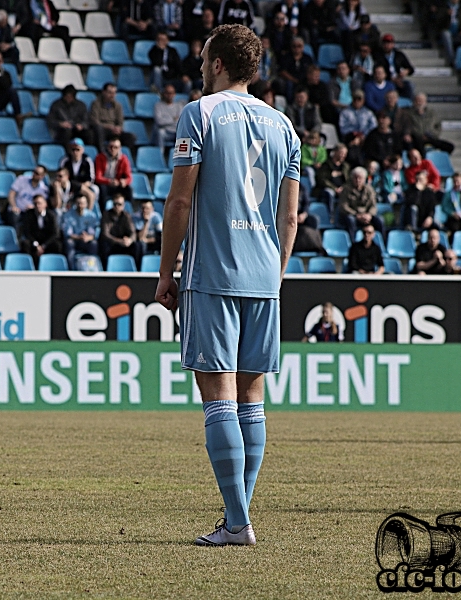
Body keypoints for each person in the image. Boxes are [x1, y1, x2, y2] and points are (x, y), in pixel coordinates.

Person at [155, 24, 299, 547]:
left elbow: (179, 202)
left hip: (213, 272)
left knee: (217, 395)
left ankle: (237, 523)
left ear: (217, 63)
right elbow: (290, 220)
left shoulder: (200, 112)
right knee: (251, 396)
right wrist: (273, 275)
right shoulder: (284, 125)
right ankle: (236, 516)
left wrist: (166, 271)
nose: (198, 65)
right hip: (265, 276)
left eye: (202, 57)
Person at [89, 83, 138, 153]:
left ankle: (121, 155)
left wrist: (118, 128)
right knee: (98, 130)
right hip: (102, 130)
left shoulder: (118, 106)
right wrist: (109, 127)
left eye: (114, 93)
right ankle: (102, 153)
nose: (112, 95)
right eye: (110, 93)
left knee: (131, 137)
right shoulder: (96, 104)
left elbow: (120, 121)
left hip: (114, 131)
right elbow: (94, 121)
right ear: (104, 92)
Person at [19, 194, 63, 265]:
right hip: (34, 241)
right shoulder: (28, 215)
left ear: (45, 204)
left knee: (57, 245)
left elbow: (55, 233)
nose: (37, 205)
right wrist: (36, 245)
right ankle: (28, 266)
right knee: (25, 244)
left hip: (46, 242)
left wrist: (44, 246)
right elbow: (27, 232)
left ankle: (54, 265)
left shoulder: (51, 215)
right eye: (35, 203)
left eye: (39, 203)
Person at [338, 165, 382, 236]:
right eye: (355, 178)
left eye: (360, 178)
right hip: (352, 215)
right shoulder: (346, 189)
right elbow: (344, 206)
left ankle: (381, 242)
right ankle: (352, 243)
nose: (358, 180)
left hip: (366, 215)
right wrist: (356, 215)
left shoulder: (369, 190)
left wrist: (369, 215)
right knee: (350, 220)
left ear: (364, 179)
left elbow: (373, 205)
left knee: (379, 220)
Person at [338, 90, 376, 166]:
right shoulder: (345, 112)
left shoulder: (368, 112)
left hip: (366, 138)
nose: (357, 101)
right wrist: (356, 136)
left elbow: (373, 126)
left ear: (363, 100)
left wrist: (363, 136)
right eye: (355, 99)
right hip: (351, 138)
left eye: (359, 99)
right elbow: (343, 128)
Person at [59, 138, 99, 209]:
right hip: (69, 184)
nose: (75, 152)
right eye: (73, 150)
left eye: (77, 149)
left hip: (84, 184)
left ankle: (90, 211)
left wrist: (83, 185)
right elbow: (61, 174)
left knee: (95, 189)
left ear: (82, 150)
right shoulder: (65, 160)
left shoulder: (87, 161)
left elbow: (91, 178)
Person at [62, 193, 99, 268]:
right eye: (78, 203)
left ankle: (92, 267)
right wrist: (79, 237)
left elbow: (94, 233)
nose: (80, 206)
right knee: (69, 243)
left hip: (86, 241)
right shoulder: (68, 215)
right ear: (75, 204)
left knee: (94, 244)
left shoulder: (91, 216)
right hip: (74, 240)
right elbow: (68, 233)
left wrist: (88, 237)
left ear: (86, 204)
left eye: (82, 203)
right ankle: (71, 268)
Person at [99, 192, 137, 266]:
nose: (117, 206)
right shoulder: (106, 215)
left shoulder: (126, 216)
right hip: (112, 242)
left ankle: (137, 269)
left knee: (137, 246)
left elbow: (133, 232)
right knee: (104, 245)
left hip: (124, 242)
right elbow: (105, 234)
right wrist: (119, 241)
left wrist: (130, 240)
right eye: (115, 204)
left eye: (119, 204)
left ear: (123, 205)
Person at [94, 136, 133, 206]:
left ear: (120, 148)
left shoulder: (124, 159)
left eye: (116, 147)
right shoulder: (100, 157)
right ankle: (103, 211)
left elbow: (129, 177)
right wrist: (109, 181)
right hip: (105, 184)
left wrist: (124, 181)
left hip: (117, 184)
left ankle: (128, 210)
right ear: (107, 147)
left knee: (129, 190)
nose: (113, 149)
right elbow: (98, 177)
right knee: (102, 189)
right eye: (111, 147)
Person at [376, 33, 414, 98]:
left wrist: (406, 71)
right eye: (385, 43)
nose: (387, 45)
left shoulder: (399, 55)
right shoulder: (378, 56)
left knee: (409, 85)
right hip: (386, 80)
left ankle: (408, 104)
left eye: (389, 43)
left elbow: (411, 69)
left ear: (393, 44)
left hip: (399, 79)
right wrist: (392, 79)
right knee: (391, 87)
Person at [315, 143, 350, 212]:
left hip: (342, 189)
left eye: (345, 153)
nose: (344, 155)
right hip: (328, 189)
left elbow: (348, 180)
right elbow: (322, 180)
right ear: (336, 152)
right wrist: (335, 189)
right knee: (330, 193)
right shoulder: (326, 165)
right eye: (342, 153)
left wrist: (343, 188)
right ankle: (331, 215)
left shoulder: (345, 166)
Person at [154, 84, 185, 155]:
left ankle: (181, 157)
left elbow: (180, 121)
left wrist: (167, 120)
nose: (169, 95)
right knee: (160, 132)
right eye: (167, 93)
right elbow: (159, 122)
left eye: (171, 93)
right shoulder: (158, 106)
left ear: (174, 94)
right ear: (164, 94)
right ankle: (160, 155)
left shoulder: (179, 106)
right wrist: (173, 119)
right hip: (166, 132)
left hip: (177, 132)